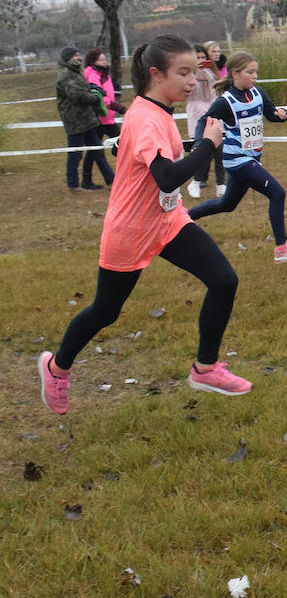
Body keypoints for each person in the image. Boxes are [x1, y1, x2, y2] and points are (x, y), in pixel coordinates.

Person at [37, 35, 249, 414]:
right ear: (155, 74)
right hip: (131, 229)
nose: (191, 80)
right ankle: (56, 368)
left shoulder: (156, 111)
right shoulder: (148, 115)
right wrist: (207, 144)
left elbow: (153, 161)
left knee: (223, 280)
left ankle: (205, 368)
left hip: (167, 221)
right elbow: (168, 177)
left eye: (195, 71)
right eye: (182, 73)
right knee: (105, 310)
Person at [187, 51, 287, 263]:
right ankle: (282, 247)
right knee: (277, 193)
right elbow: (203, 121)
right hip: (237, 160)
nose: (254, 76)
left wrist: (281, 114)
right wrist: (199, 143)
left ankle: (184, 218)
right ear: (235, 74)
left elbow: (271, 115)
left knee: (227, 204)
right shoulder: (225, 102)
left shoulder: (258, 93)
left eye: (256, 72)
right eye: (250, 72)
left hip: (252, 158)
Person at [55, 45, 111, 192]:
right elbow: (77, 95)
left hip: (88, 120)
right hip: (75, 122)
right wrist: (95, 97)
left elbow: (84, 90)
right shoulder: (65, 75)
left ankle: (111, 180)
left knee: (98, 150)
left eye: (78, 54)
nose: (78, 57)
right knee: (75, 153)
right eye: (75, 55)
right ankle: (73, 185)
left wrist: (93, 91)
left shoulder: (76, 73)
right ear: (68, 58)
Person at [188, 42, 227, 199]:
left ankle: (221, 185)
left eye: (203, 57)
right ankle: (196, 181)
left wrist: (213, 70)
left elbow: (217, 87)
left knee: (219, 152)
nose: (201, 60)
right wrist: (194, 70)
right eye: (197, 57)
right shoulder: (189, 75)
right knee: (202, 152)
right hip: (197, 114)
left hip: (213, 112)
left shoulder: (211, 73)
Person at [83, 47, 124, 146]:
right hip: (100, 118)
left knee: (121, 144)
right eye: (101, 60)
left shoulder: (105, 76)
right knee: (96, 150)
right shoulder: (94, 77)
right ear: (93, 62)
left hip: (108, 118)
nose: (104, 62)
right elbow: (99, 97)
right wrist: (118, 107)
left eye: (105, 59)